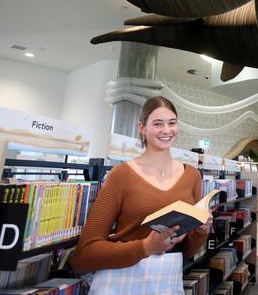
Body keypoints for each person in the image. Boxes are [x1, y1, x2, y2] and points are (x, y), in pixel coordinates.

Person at [73, 96, 213, 294]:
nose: (167, 130)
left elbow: (189, 251)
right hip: (126, 280)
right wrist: (146, 247)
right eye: (158, 124)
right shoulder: (121, 175)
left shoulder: (192, 175)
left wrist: (201, 230)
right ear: (142, 127)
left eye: (172, 123)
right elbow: (85, 254)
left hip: (169, 279)